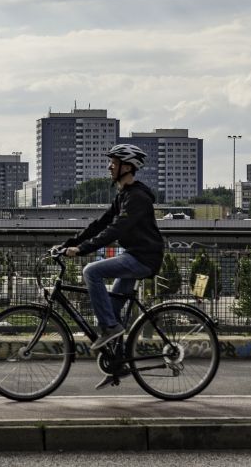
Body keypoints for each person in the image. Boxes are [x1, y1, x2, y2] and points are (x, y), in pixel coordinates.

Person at [61, 144, 164, 355]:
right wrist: (69, 243)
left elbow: (115, 229)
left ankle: (109, 328)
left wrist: (81, 249)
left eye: (114, 163)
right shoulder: (124, 195)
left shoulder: (137, 198)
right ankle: (117, 363)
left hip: (143, 259)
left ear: (127, 167)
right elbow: (101, 224)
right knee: (113, 309)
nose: (109, 167)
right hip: (134, 255)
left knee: (91, 271)